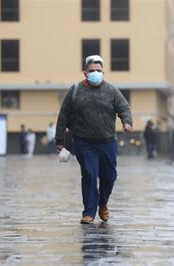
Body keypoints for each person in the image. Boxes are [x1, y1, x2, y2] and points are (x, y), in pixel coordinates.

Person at [55, 55, 133, 224]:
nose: (95, 73)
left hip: (107, 141)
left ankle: (103, 202)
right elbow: (63, 115)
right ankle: (89, 211)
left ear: (103, 72)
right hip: (84, 142)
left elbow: (124, 107)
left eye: (99, 71)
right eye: (92, 71)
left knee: (109, 176)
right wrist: (60, 141)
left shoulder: (111, 91)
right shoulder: (75, 90)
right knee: (90, 174)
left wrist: (126, 122)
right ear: (85, 73)